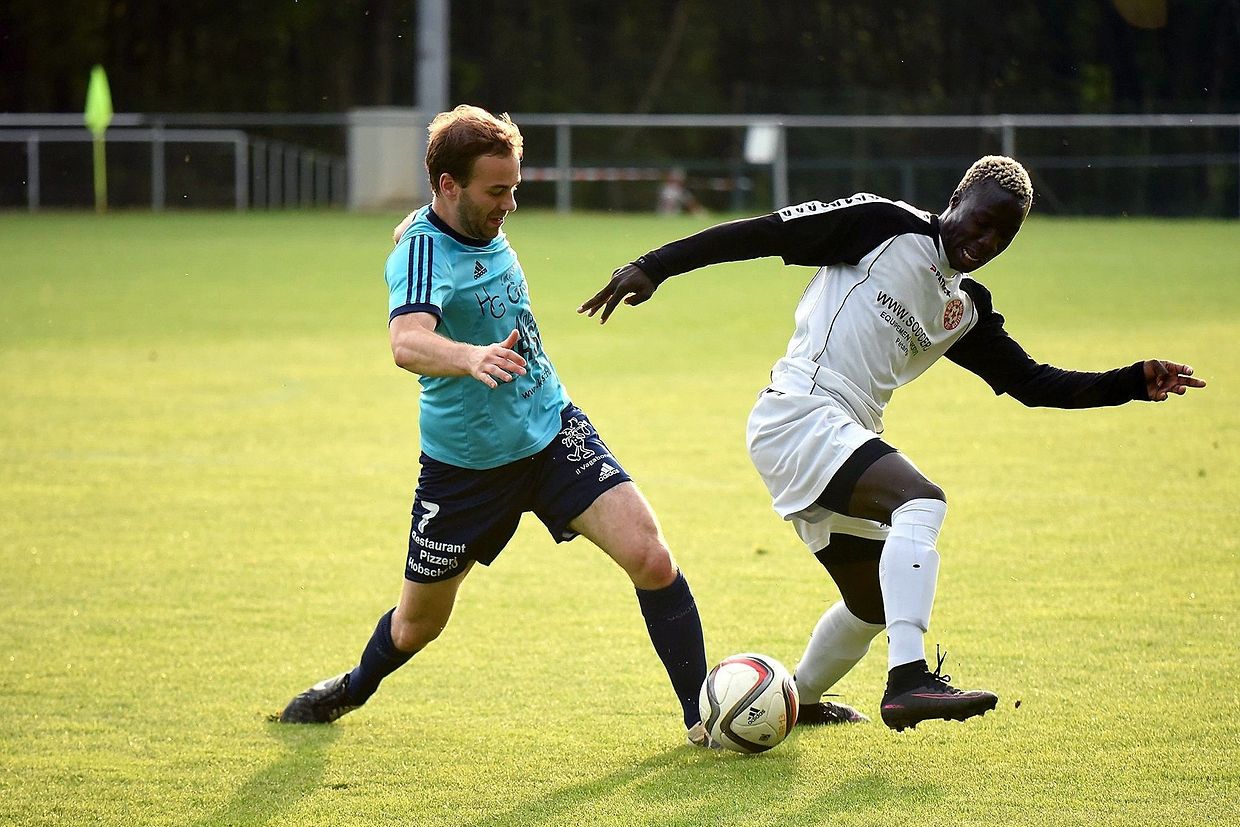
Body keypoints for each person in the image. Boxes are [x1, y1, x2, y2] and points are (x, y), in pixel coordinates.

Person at [579, 156, 1205, 732]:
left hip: (836, 433)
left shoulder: (963, 307)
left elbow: (1031, 383)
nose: (983, 243)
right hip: (799, 412)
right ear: (957, 197)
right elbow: (763, 232)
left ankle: (792, 699)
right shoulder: (882, 224)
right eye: (980, 222)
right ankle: (909, 679)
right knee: (921, 502)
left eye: (1001, 239)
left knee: (873, 600)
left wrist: (1130, 381)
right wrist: (655, 264)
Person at [279, 105, 712, 748]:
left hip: (550, 428)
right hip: (468, 468)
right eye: (495, 191)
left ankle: (705, 720)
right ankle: (351, 687)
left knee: (651, 557)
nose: (509, 203)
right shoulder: (421, 254)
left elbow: (427, 227)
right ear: (449, 186)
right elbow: (407, 342)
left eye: (514, 188)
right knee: (416, 626)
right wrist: (471, 357)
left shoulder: (470, 219)